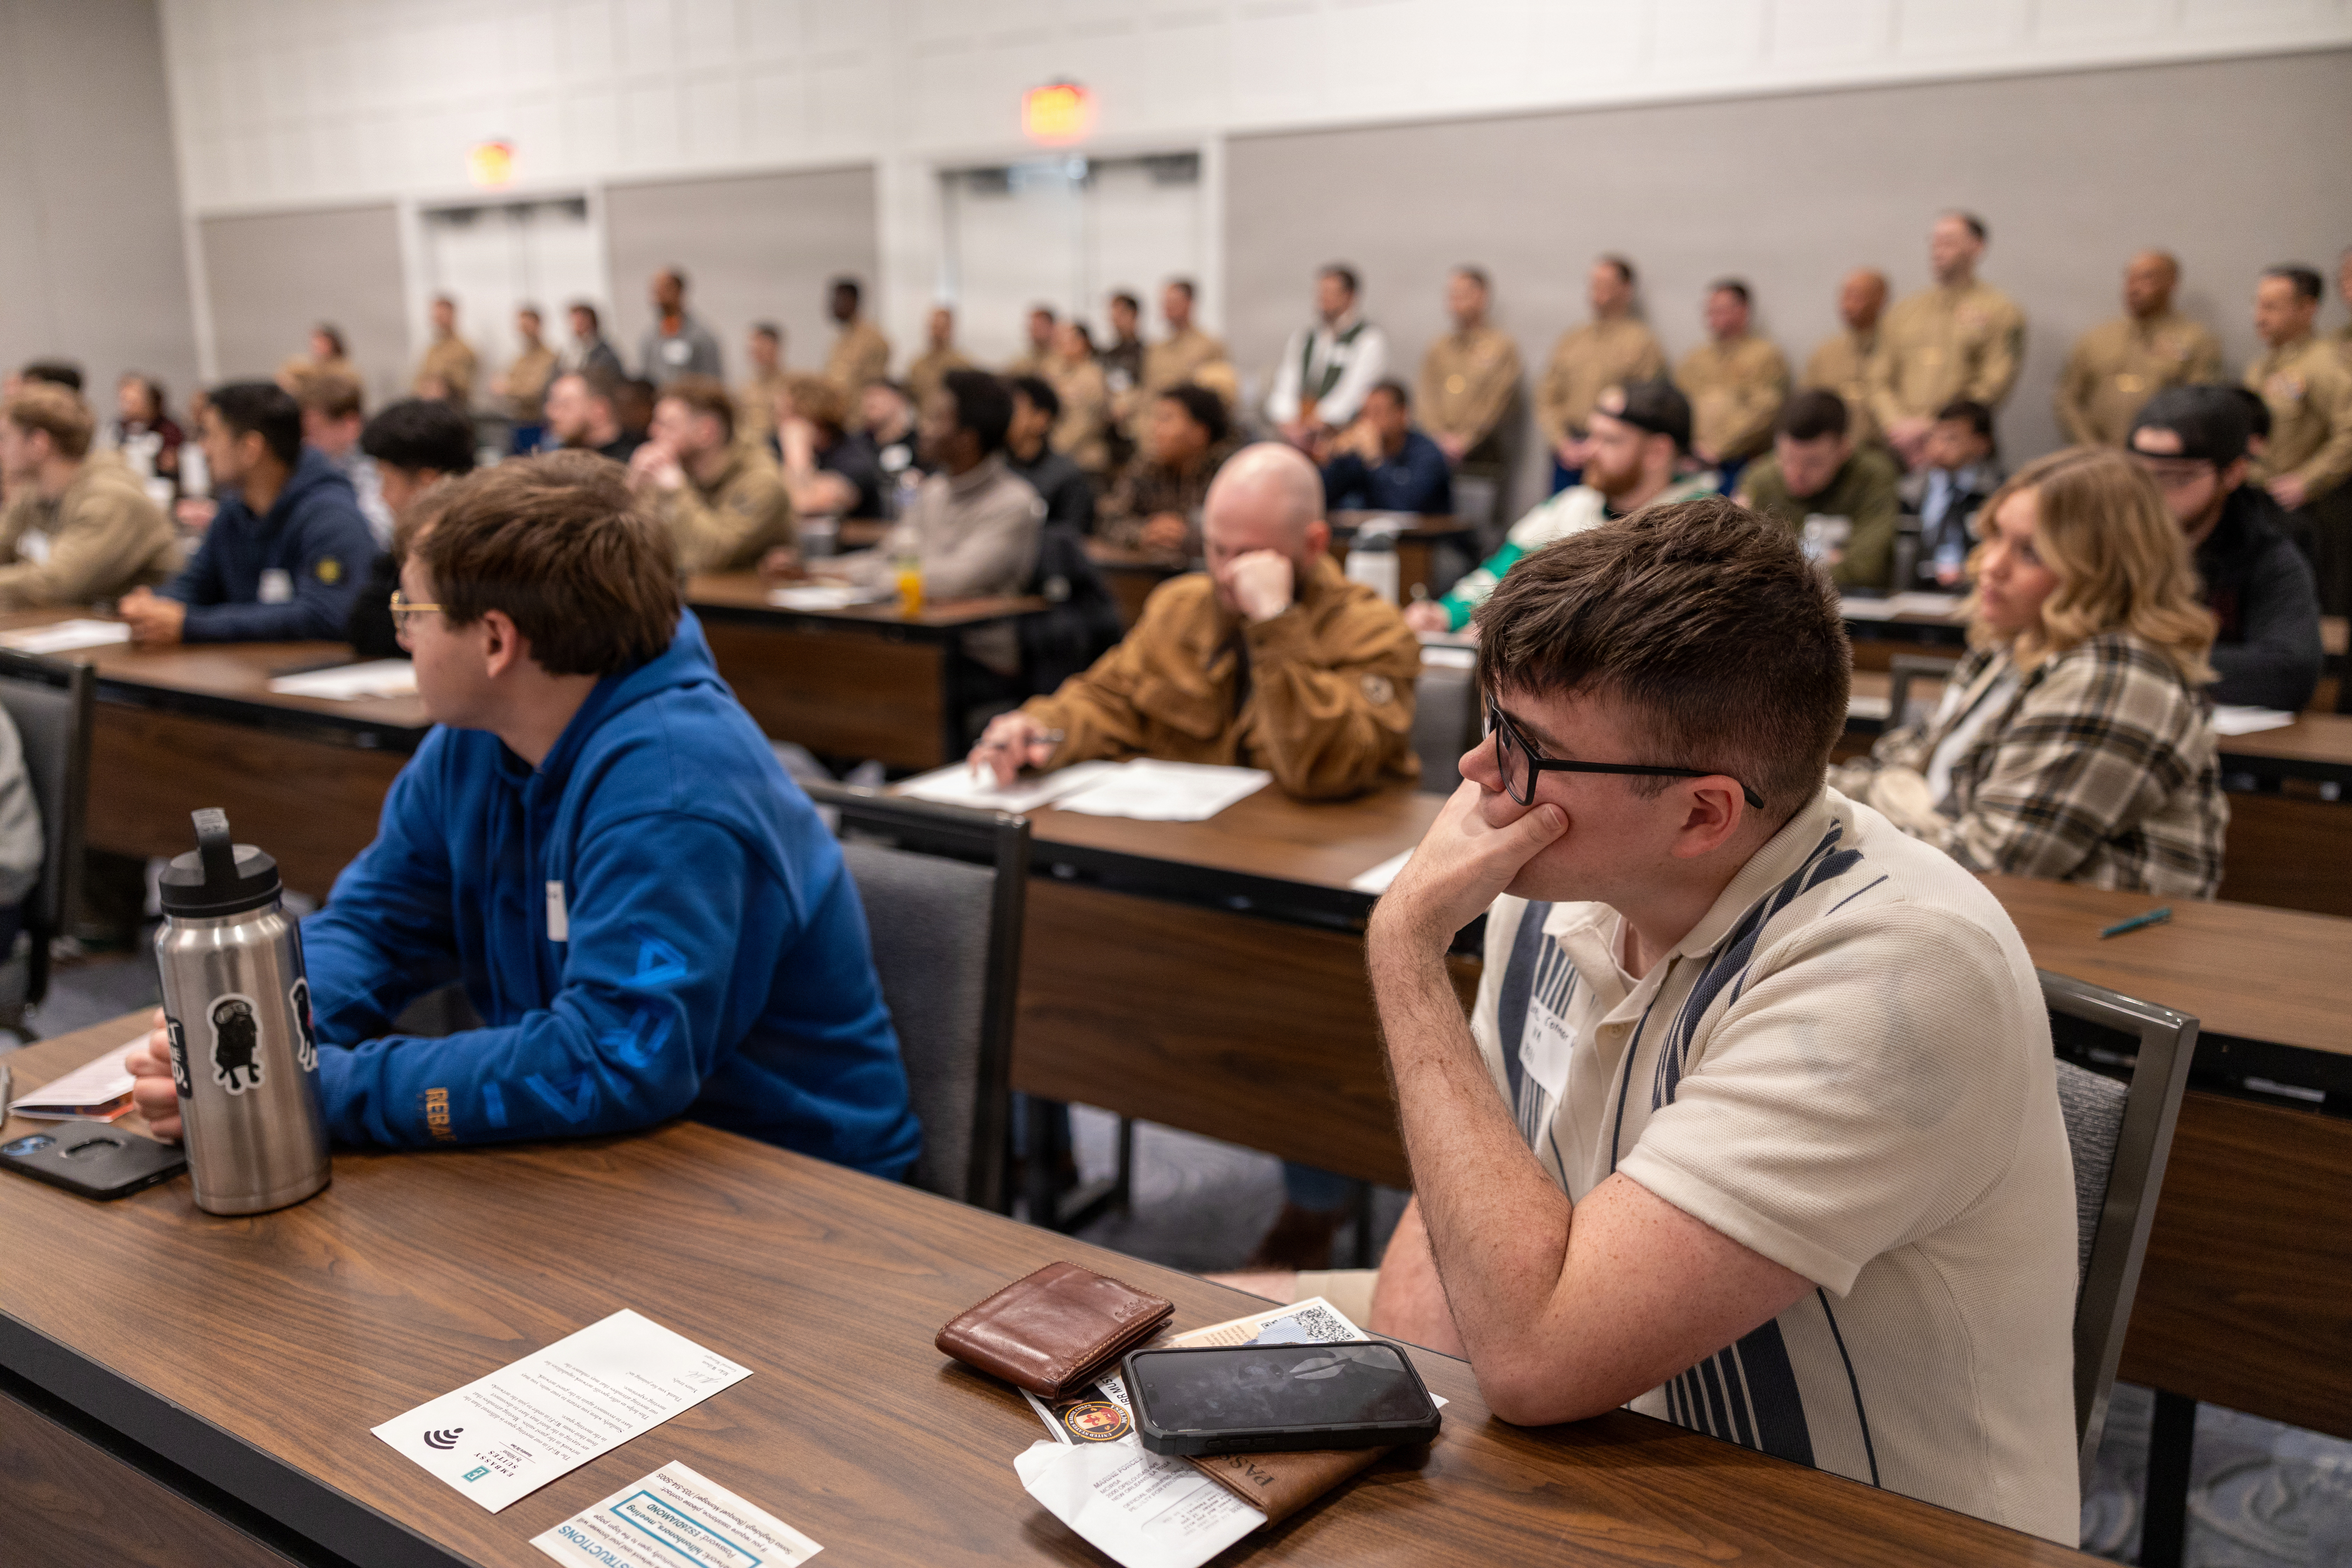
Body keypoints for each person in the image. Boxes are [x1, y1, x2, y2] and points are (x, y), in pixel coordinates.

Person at [1238, 497, 2081, 1545]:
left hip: (1848, 1523)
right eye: (1490, 722)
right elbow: (1474, 1192)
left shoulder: (1897, 973)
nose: (1477, 777)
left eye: (1525, 747)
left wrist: (1403, 949)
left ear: (1701, 813)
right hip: (1603, 1444)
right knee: (1164, 1359)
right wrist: (1426, 1443)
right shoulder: (1561, 889)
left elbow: (1539, 1357)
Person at [122, 454, 923, 1175]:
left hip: (794, 1189)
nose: (402, 636)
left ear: (496, 640)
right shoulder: (478, 738)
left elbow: (608, 1064)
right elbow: (378, 924)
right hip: (620, 1158)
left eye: (414, 612)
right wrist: (259, 1043)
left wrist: (307, 1091)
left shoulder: (678, 789)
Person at [1835, 446, 2225, 896]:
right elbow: (1898, 766)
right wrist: (1802, 799)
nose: (1990, 565)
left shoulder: (2112, 679)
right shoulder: (2010, 647)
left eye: (2031, 554)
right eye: (1996, 535)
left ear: (2104, 572)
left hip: (2083, 947)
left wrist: (1859, 814)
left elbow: (1991, 864)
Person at [971, 441, 1420, 800]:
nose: (1225, 574)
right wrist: (1040, 730)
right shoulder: (1181, 608)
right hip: (1201, 855)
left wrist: (1276, 621)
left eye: (1248, 555)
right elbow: (1108, 701)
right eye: (1216, 549)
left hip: (1319, 874)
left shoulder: (1374, 632)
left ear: (1315, 543)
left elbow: (1322, 768)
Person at [1405, 381, 1716, 634]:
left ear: (1657, 452)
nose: (1589, 452)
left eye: (1610, 441)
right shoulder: (1571, 505)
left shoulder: (1699, 523)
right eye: (1590, 436)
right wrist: (1444, 616)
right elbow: (1501, 574)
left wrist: (1510, 625)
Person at [817, 370, 1044, 675]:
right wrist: (816, 570)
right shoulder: (933, 491)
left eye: (938, 419)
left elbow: (954, 580)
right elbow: (887, 554)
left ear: (968, 438)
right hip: (913, 642)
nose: (924, 428)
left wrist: (875, 578)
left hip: (974, 659)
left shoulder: (1015, 503)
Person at [119, 381, 378, 645]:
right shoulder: (236, 510)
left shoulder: (331, 516)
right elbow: (195, 586)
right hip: (247, 671)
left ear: (251, 449)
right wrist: (151, 607)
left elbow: (325, 614)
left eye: (210, 435)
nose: (203, 449)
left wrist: (192, 626)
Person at [2129, 386, 2324, 712]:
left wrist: (2137, 660)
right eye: (2140, 475)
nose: (2152, 493)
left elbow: (2292, 672)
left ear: (2233, 473)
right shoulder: (2105, 541)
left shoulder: (2267, 552)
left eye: (2176, 478)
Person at [1868, 214, 2025, 470]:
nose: (1938, 250)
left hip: (1962, 451)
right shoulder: (1905, 311)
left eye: (1949, 242)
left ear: (1977, 247)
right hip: (1901, 448)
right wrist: (1897, 426)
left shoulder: (2002, 311)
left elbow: (1995, 381)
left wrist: (1934, 427)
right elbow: (1878, 379)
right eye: (1935, 243)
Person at [0, 383, 179, 608]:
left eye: (4, 438)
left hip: (133, 629)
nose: (1, 450)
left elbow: (56, 584)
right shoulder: (33, 492)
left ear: (39, 444)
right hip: (78, 622)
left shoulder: (111, 496)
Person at [2245, 264, 2352, 613]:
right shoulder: (2262, 366)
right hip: (2261, 503)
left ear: (2307, 309)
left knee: (2307, 609)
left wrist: (2308, 480)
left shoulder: (2326, 364)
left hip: (2306, 513)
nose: (2259, 316)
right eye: (2258, 304)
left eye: (2271, 307)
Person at [345, 398, 480, 660]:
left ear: (428, 483)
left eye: (388, 481)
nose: (384, 497)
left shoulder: (483, 550)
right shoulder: (406, 544)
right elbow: (363, 622)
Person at [1734, 390, 1902, 591]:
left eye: (1813, 463)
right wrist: (1830, 562)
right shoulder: (1760, 480)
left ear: (1844, 450)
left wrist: (1779, 570)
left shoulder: (1873, 475)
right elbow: (1740, 568)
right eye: (1787, 458)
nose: (1796, 473)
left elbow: (1867, 568)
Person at [2054, 252, 2224, 449]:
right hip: (2098, 459)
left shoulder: (2196, 341)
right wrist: (2092, 449)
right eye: (2129, 278)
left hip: (2162, 463)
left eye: (2146, 278)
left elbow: (2202, 407)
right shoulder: (2096, 339)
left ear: (2172, 284)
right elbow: (2067, 398)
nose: (2133, 288)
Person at [630, 376, 795, 575]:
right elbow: (636, 548)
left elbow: (707, 559)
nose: (653, 432)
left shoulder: (762, 482)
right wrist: (634, 487)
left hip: (739, 601)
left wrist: (676, 490)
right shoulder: (676, 470)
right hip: (688, 596)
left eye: (668, 425)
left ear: (706, 431)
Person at [1533, 256, 1666, 493]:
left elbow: (1646, 407)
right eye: (1594, 284)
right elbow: (1548, 396)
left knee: (1605, 528)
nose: (1597, 292)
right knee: (1560, 526)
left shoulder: (1642, 344)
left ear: (1626, 289)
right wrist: (1561, 442)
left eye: (1606, 284)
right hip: (1568, 453)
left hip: (1612, 458)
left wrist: (1601, 444)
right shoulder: (1572, 340)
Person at [1674, 279, 1788, 489]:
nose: (1714, 316)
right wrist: (1687, 448)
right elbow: (1677, 404)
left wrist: (1718, 449)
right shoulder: (1696, 358)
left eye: (1722, 309)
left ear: (1744, 311)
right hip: (1693, 461)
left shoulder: (1765, 356)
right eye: (1710, 309)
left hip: (1741, 462)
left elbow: (1765, 411)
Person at [1097, 383, 1236, 554]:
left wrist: (1189, 536)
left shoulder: (1230, 475)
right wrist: (1143, 532)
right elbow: (1107, 519)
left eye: (1166, 419)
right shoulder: (1147, 467)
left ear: (1200, 432)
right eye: (1155, 419)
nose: (1155, 429)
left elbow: (1242, 532)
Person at [1266, 265, 1388, 452]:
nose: (1323, 300)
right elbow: (1286, 382)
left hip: (1342, 436)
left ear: (1350, 296)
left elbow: (1358, 391)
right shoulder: (1305, 339)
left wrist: (1323, 419)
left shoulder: (1368, 340)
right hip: (1299, 430)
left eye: (1331, 293)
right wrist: (1288, 419)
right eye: (1321, 293)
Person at [1416, 266, 1522, 474]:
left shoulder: (1501, 347)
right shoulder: (1439, 347)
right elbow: (1426, 396)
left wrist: (1466, 439)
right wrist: (1437, 437)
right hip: (1436, 451)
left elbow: (1498, 401)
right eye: (1452, 295)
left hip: (1482, 453)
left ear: (1483, 297)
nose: (1455, 302)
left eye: (1463, 294)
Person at [1902, 399, 2004, 589]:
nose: (1939, 446)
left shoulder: (1998, 493)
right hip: (1918, 589)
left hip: (1974, 589)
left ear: (1981, 444)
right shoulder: (1910, 490)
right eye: (1935, 436)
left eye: (1952, 438)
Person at [294, 370, 396, 546]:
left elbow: (379, 532)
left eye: (314, 431)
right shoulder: (305, 467)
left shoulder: (379, 467)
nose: (307, 443)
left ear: (350, 426)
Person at [1122, 279, 1233, 443]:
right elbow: (1147, 391)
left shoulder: (1209, 346)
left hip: (1188, 437)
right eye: (1164, 303)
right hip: (1151, 432)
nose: (1167, 308)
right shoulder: (1155, 349)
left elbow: (1219, 399)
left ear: (1190, 304)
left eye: (1173, 302)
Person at [1320, 380, 1452, 515]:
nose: (1368, 422)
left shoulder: (1427, 454)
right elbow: (1324, 498)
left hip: (1422, 535)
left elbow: (1406, 507)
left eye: (1378, 412)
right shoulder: (1359, 454)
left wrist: (1374, 459)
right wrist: (1334, 457)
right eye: (1365, 414)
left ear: (1402, 414)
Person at [1800, 268, 1888, 448]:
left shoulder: (1895, 347)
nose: (1848, 305)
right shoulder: (1825, 353)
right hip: (1832, 451)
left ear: (1880, 300)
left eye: (1858, 297)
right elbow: (1807, 406)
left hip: (1884, 448)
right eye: (1845, 297)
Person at [1006, 376, 1097, 533]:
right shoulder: (993, 466)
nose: (1006, 416)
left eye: (1015, 409)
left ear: (1042, 419)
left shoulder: (1067, 477)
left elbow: (1071, 542)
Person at [1043, 321, 1112, 482]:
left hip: (1084, 460)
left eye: (1068, 340)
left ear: (1082, 343)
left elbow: (1087, 423)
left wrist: (1053, 451)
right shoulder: (1054, 371)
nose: (1062, 345)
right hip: (1057, 459)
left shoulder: (1093, 377)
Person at [640, 267, 723, 385]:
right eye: (655, 290)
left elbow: (714, 382)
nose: (659, 295)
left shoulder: (701, 337)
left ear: (679, 291)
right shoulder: (649, 338)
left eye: (665, 289)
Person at [495, 306, 560, 454]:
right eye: (521, 326)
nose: (524, 331)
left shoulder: (550, 357)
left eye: (527, 326)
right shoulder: (519, 359)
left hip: (539, 424)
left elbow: (535, 391)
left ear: (538, 325)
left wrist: (508, 388)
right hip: (518, 423)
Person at [820, 278, 890, 411]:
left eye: (837, 300)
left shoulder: (872, 339)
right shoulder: (840, 340)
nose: (832, 306)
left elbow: (874, 386)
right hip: (840, 416)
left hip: (860, 420)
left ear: (852, 301)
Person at [544, 370, 641, 464]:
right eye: (552, 404)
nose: (552, 414)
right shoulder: (564, 454)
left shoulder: (631, 464)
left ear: (599, 410)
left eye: (565, 405)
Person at [113, 373, 184, 494]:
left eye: (133, 401)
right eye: (124, 400)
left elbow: (171, 464)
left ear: (148, 401)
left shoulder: (168, 430)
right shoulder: (116, 430)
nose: (127, 407)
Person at [413, 295, 478, 410]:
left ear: (452, 316)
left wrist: (440, 384)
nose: (438, 320)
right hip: (428, 410)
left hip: (453, 412)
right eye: (436, 316)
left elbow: (464, 385)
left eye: (442, 316)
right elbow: (419, 380)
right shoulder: (432, 350)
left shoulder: (464, 350)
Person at [905, 306, 972, 413]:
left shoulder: (962, 365)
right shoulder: (918, 365)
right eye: (933, 327)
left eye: (941, 328)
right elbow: (911, 397)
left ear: (950, 329)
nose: (936, 333)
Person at [739, 322, 790, 448]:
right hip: (750, 448)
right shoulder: (746, 389)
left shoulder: (789, 387)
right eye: (754, 348)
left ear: (776, 348)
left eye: (763, 347)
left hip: (778, 448)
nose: (757, 352)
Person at [560, 301, 625, 383]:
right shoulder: (569, 353)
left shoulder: (605, 354)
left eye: (580, 323)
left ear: (591, 322)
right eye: (574, 323)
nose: (576, 327)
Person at [1100, 291, 1145, 398]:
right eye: (1114, 314)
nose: (1116, 319)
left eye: (1122, 313)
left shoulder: (1147, 352)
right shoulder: (1106, 354)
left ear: (1134, 315)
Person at [1006, 305, 1056, 379]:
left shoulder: (1065, 357)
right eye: (1032, 327)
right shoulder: (1024, 360)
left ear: (1052, 327)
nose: (1033, 331)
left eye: (1039, 327)